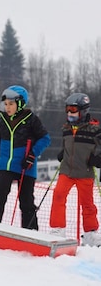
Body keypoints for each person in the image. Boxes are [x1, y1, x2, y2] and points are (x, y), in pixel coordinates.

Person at [0, 85, 50, 230]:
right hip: (6, 165)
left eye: (11, 104)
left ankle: (31, 231)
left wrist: (32, 154)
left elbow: (45, 138)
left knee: (26, 201)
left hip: (25, 166)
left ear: (20, 104)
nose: (7, 108)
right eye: (6, 104)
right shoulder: (2, 120)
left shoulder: (31, 119)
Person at [49, 93, 101, 246]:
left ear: (83, 110)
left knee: (87, 203)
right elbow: (66, 146)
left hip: (84, 172)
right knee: (58, 195)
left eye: (73, 109)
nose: (70, 113)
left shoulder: (94, 130)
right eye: (68, 110)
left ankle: (91, 234)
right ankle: (58, 229)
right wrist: (61, 153)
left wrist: (98, 159)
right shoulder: (66, 128)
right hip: (67, 171)